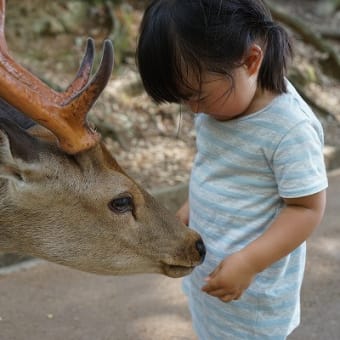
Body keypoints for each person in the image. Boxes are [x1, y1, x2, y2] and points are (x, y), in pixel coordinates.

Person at [136, 0, 328, 338]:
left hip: (253, 293)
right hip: (211, 276)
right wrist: (191, 207)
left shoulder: (289, 128)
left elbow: (307, 208)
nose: (193, 110)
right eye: (183, 99)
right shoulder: (218, 106)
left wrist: (250, 263)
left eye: (196, 96)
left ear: (251, 60)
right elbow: (215, 167)